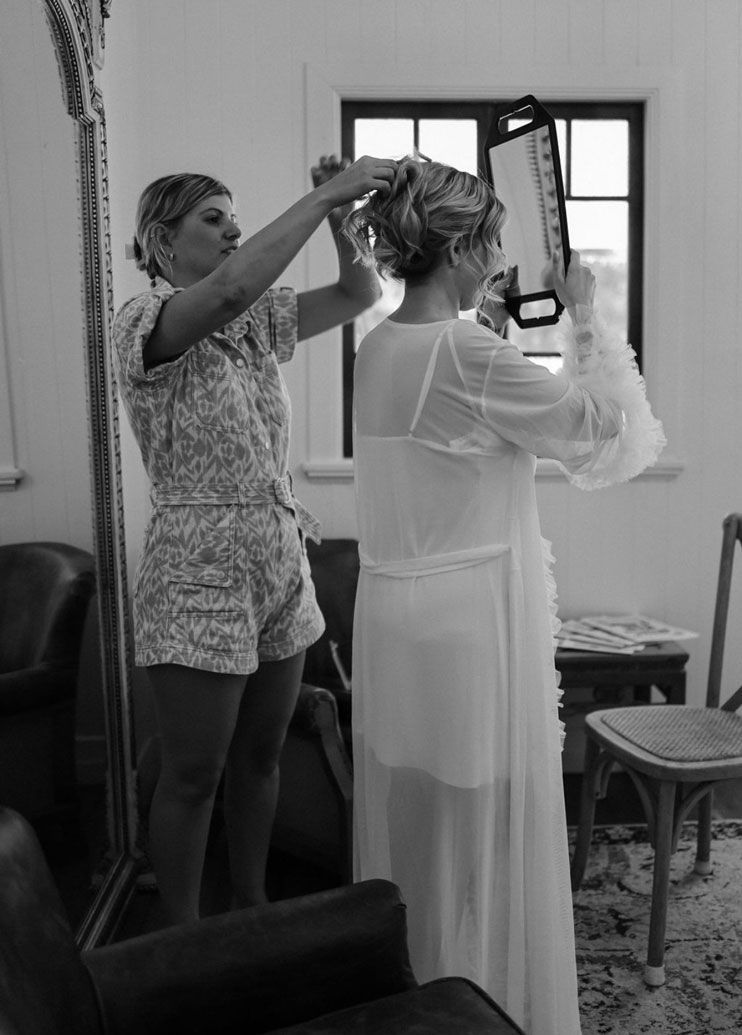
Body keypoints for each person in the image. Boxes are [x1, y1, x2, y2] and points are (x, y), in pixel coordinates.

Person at [343, 157, 665, 1035]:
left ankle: (425, 993)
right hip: (468, 625)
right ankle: (479, 1004)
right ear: (457, 248)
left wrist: (487, 323)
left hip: (398, 620)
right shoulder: (466, 353)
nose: (499, 257)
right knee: (482, 838)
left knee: (424, 835)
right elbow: (603, 433)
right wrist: (584, 313)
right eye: (489, 241)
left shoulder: (379, 346)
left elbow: (447, 431)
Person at [111, 154, 397, 925]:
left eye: (235, 218)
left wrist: (339, 220)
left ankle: (251, 907)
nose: (233, 230)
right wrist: (327, 190)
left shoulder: (256, 321)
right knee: (193, 773)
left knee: (261, 756)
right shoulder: (143, 322)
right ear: (162, 241)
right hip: (197, 573)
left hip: (279, 563)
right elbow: (231, 287)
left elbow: (361, 293)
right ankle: (182, 938)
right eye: (214, 219)